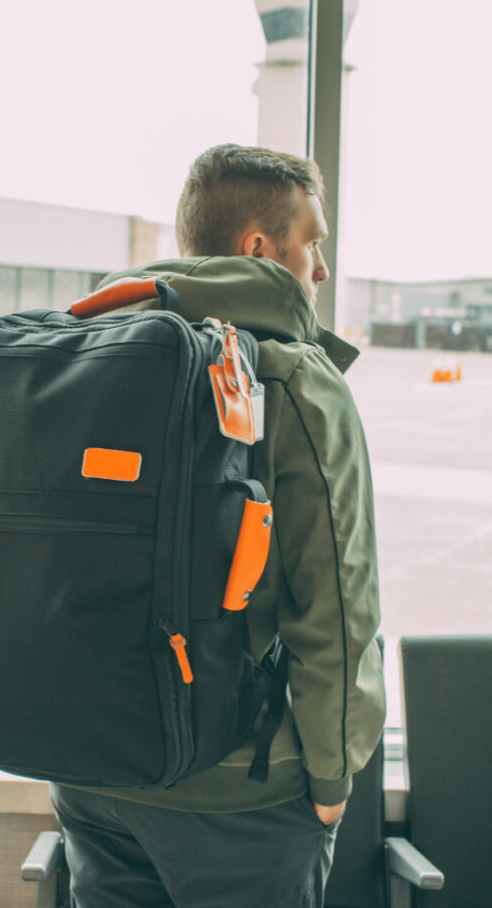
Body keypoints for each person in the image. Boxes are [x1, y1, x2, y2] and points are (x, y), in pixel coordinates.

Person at [50, 144, 386, 908]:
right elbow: (336, 597)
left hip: (91, 772)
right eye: (315, 243)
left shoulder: (82, 353)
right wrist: (332, 777)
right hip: (238, 794)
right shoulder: (290, 375)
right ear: (261, 248)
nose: (322, 269)